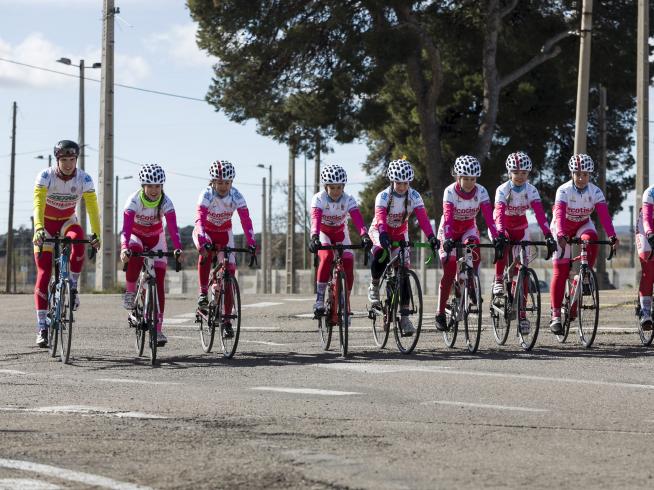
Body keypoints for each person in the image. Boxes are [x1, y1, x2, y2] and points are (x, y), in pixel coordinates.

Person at [32, 140, 101, 347]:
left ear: (77, 159)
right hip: (45, 225)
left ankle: (71, 284)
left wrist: (96, 233)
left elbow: (92, 207)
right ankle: (42, 326)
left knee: (79, 238)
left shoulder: (84, 179)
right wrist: (38, 228)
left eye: (72, 159)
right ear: (57, 160)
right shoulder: (46, 176)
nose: (69, 164)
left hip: (66, 222)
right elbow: (38, 203)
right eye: (64, 160)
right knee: (44, 273)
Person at [367, 158, 439, 336]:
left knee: (404, 273)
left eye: (405, 183)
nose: (402, 187)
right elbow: (381, 217)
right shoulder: (383, 196)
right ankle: (374, 285)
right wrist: (383, 233)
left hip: (400, 233)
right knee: (380, 254)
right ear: (392, 180)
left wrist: (431, 236)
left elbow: (422, 218)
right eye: (399, 183)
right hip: (380, 230)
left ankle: (405, 318)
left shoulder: (414, 196)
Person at [549, 154, 619, 335]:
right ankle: (555, 315)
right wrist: (562, 234)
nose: (581, 178)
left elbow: (604, 216)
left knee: (591, 238)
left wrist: (612, 236)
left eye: (585, 175)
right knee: (561, 270)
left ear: (590, 175)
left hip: (582, 224)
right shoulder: (563, 191)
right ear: (572, 173)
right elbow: (559, 215)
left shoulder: (595, 192)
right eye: (578, 174)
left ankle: (585, 274)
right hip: (562, 226)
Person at [434, 155, 502, 332]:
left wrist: (496, 237)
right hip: (448, 230)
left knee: (474, 247)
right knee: (449, 271)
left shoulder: (481, 191)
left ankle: (470, 283)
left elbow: (489, 218)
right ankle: (440, 313)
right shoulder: (449, 191)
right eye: (466, 179)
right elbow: (448, 217)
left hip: (468, 229)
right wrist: (448, 238)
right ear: (458, 177)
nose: (470, 182)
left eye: (473, 179)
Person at [492, 152, 557, 334]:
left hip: (521, 227)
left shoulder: (531, 190)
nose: (520, 176)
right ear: (509, 172)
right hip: (502, 224)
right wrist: (500, 235)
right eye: (516, 172)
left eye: (524, 173)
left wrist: (548, 235)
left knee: (524, 271)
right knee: (503, 244)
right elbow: (499, 213)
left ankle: (522, 315)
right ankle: (499, 279)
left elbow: (540, 215)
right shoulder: (503, 190)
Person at [120, 163, 183, 347]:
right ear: (143, 185)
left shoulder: (166, 202)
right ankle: (131, 291)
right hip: (135, 237)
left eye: (158, 186)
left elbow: (172, 228)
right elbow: (125, 229)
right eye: (150, 186)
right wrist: (125, 248)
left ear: (162, 186)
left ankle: (158, 329)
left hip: (156, 238)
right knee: (135, 251)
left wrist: (178, 248)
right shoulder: (133, 201)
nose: (154, 190)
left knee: (159, 283)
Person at [193, 160, 256, 338]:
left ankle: (227, 321)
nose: (223, 186)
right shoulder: (206, 194)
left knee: (230, 273)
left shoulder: (236, 196)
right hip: (205, 230)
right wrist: (203, 241)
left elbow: (246, 220)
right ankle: (203, 293)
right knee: (204, 255)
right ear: (213, 181)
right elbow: (199, 219)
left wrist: (252, 243)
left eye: (227, 183)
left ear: (232, 183)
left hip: (225, 233)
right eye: (219, 182)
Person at [308, 164, 371, 316]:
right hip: (323, 233)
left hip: (340, 233)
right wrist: (314, 237)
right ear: (325, 187)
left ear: (343, 186)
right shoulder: (319, 199)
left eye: (339, 187)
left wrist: (364, 235)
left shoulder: (348, 199)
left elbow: (358, 219)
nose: (336, 191)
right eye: (332, 188)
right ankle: (320, 299)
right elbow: (315, 220)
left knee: (348, 261)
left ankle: (345, 301)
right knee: (327, 257)